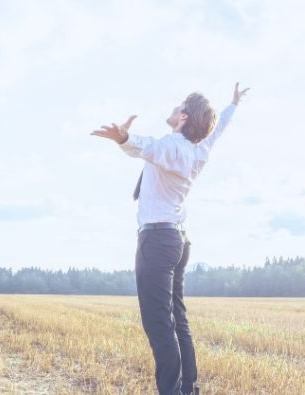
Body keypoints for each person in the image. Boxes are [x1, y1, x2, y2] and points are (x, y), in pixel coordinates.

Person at [91, 83, 249, 395]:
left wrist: (124, 138)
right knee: (177, 318)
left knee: (159, 325)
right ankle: (188, 388)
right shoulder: (199, 150)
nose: (174, 108)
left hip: (158, 240)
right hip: (177, 240)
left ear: (183, 117)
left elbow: (149, 147)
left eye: (179, 106)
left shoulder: (173, 148)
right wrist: (232, 106)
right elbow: (218, 130)